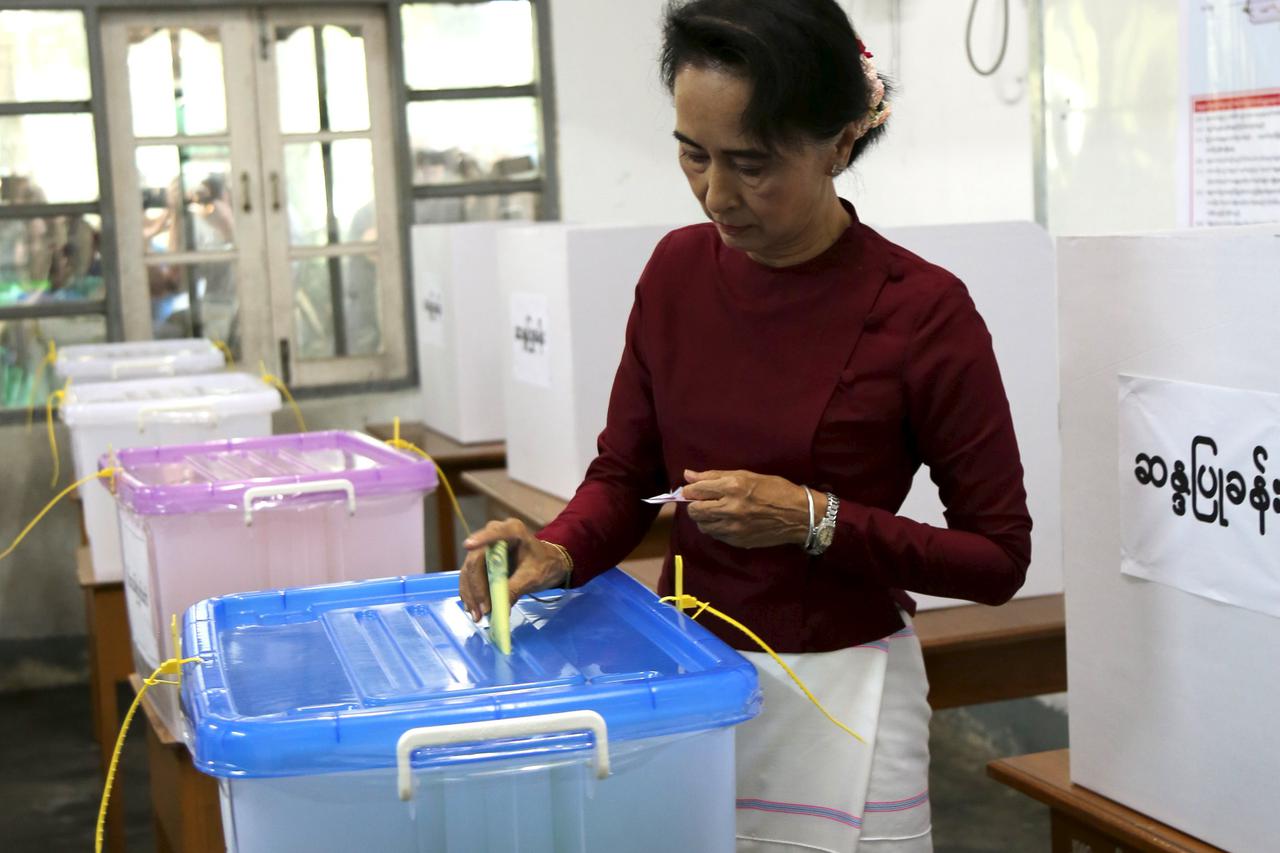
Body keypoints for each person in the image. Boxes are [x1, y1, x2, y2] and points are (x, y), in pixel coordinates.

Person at [459, 1, 1032, 850]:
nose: (716, 194)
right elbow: (624, 475)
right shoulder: (676, 273)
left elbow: (997, 557)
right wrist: (560, 549)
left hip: (846, 700)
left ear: (839, 143)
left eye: (753, 164)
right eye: (694, 154)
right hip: (685, 678)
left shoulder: (922, 312)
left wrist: (817, 521)